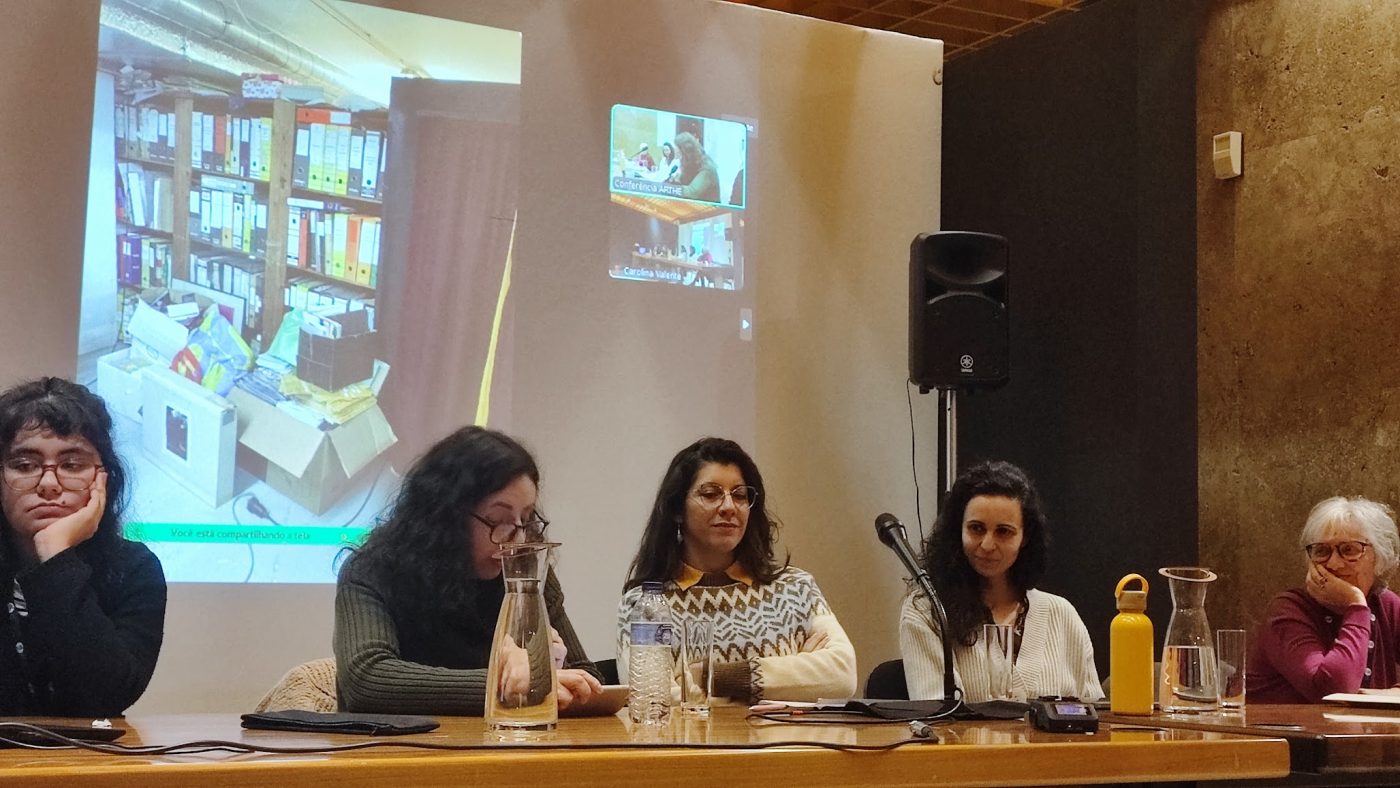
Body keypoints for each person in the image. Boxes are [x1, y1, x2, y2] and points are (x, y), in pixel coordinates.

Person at [335, 426, 603, 714]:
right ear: (445, 517)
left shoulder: (526, 573)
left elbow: (587, 676)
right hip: (404, 742)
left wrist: (551, 666)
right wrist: (506, 684)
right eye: (498, 519)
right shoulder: (373, 571)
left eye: (526, 519)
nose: (518, 541)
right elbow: (367, 679)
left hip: (510, 740)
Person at [617, 437, 856, 703]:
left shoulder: (796, 588)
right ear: (677, 510)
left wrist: (707, 676)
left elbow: (842, 676)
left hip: (786, 735)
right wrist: (796, 675)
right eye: (710, 494)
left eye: (740, 495)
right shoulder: (646, 605)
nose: (729, 507)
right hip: (695, 735)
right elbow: (653, 701)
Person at [0, 377, 166, 716]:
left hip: (86, 751)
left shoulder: (133, 568)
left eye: (72, 465)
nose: (49, 484)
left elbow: (107, 696)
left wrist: (56, 556)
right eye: (25, 465)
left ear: (104, 478)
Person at [899, 460, 1102, 703]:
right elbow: (938, 712)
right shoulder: (927, 611)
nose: (987, 545)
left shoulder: (1062, 614)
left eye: (1003, 531)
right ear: (958, 531)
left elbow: (1095, 714)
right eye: (976, 528)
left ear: (1025, 538)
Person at [1248, 496, 1400, 703]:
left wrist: (1389, 694)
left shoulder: (1386, 605)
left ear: (1380, 556)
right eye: (1322, 551)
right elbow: (1334, 690)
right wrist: (1356, 605)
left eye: (1349, 550)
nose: (1334, 564)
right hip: (1288, 725)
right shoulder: (1287, 611)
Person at [671, 132, 720, 202]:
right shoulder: (690, 163)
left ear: (686, 153)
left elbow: (692, 192)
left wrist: (670, 189)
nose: (680, 159)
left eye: (680, 154)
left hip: (708, 207)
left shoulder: (707, 168)